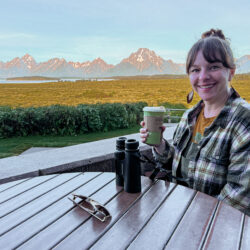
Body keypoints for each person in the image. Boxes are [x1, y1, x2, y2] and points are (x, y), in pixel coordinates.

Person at [140, 29, 250, 216]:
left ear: (230, 72)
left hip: (219, 230)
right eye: (195, 70)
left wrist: (195, 222)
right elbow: (178, 165)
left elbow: (240, 195)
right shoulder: (189, 116)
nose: (203, 77)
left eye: (213, 67)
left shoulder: (243, 121)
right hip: (180, 217)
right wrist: (159, 145)